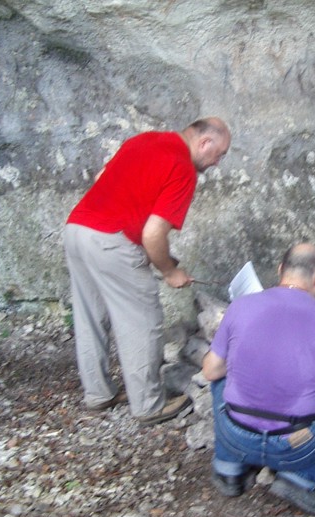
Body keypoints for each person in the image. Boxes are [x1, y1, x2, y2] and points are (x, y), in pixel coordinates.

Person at [64, 117, 231, 426]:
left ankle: (98, 394)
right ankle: (148, 405)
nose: (217, 163)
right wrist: (170, 271)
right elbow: (153, 235)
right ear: (204, 143)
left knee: (89, 317)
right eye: (219, 154)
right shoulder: (182, 167)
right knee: (142, 321)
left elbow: (104, 176)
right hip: (111, 239)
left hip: (77, 229)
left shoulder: (146, 141)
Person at [202, 242, 315, 514]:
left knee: (219, 382)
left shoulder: (241, 306)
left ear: (280, 270)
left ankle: (228, 471)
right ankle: (299, 479)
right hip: (296, 447)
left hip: (236, 435)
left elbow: (210, 371)